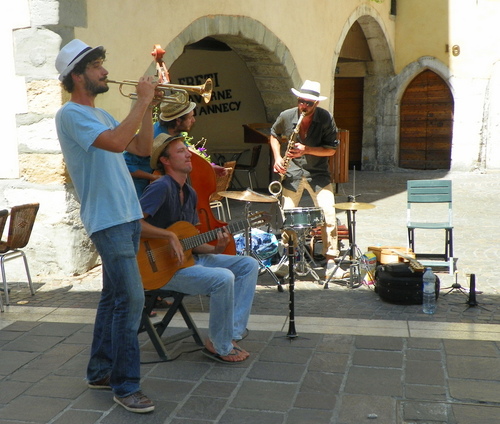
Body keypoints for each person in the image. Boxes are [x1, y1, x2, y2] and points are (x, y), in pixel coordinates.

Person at [55, 39, 157, 413]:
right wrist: (142, 100)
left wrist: (148, 106)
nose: (106, 71)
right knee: (133, 299)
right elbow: (116, 144)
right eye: (98, 66)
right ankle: (125, 385)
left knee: (114, 298)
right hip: (108, 220)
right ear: (78, 76)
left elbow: (142, 147)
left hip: (127, 216)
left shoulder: (103, 115)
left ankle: (99, 371)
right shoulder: (70, 114)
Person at [139, 133, 259, 363]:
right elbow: (134, 224)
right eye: (180, 151)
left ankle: (230, 334)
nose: (188, 154)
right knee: (222, 278)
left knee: (248, 264)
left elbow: (191, 242)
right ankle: (219, 345)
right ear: (165, 161)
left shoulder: (190, 193)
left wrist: (216, 249)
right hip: (161, 268)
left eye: (187, 149)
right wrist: (168, 236)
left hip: (188, 260)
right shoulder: (161, 187)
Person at [269, 80, 339, 271]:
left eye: (308, 103)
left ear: (316, 104)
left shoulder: (325, 118)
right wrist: (277, 157)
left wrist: (306, 149)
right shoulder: (287, 115)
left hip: (317, 174)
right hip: (291, 173)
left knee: (329, 214)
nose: (304, 106)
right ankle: (288, 258)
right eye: (301, 101)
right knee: (288, 217)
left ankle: (331, 261)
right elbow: (274, 134)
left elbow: (331, 150)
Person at [154, 100, 227, 176]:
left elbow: (190, 156)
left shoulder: (176, 132)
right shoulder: (157, 137)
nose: (193, 120)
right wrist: (154, 178)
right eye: (190, 117)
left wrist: (210, 167)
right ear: (178, 121)